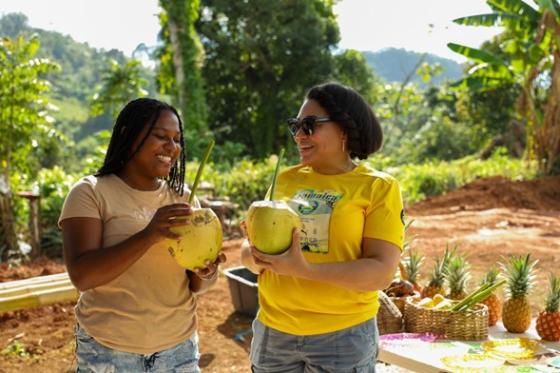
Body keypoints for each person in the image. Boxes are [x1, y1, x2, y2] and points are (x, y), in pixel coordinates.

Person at [241, 83, 404, 372]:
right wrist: (254, 257)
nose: (299, 135)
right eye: (296, 126)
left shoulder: (378, 187)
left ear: (344, 128)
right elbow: (248, 253)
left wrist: (304, 270)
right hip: (273, 332)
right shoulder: (285, 180)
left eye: (309, 125)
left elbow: (381, 272)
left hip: (342, 336)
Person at [59, 98, 225, 372]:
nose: (171, 148)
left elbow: (197, 285)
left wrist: (206, 271)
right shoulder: (90, 193)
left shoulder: (183, 198)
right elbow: (83, 276)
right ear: (128, 134)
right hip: (109, 352)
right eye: (161, 136)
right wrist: (149, 234)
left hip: (178, 349)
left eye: (176, 139)